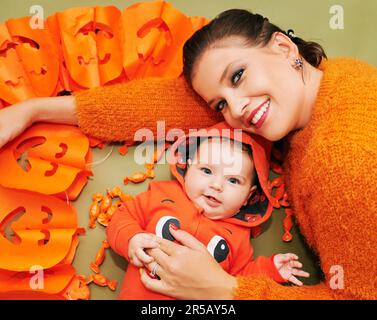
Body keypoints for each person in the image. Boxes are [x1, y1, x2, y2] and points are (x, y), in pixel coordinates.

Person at [0, 8, 376, 300]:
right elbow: (171, 106)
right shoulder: (321, 83)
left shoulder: (343, 161)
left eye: (238, 75)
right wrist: (32, 110)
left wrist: (225, 290)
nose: (237, 109)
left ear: (282, 47)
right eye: (220, 104)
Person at [106, 122, 309, 299]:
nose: (217, 185)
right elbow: (122, 217)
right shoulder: (162, 194)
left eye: (233, 180)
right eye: (207, 171)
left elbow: (238, 280)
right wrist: (131, 239)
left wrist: (270, 269)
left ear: (249, 196)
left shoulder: (238, 236)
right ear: (187, 168)